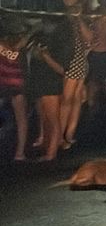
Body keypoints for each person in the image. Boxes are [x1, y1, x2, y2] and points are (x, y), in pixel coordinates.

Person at [57, 0, 92, 150]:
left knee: (72, 99)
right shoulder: (60, 16)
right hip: (68, 61)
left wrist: (78, 18)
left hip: (78, 61)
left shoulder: (83, 17)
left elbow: (89, 38)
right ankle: (62, 135)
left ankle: (66, 135)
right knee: (68, 99)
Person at [25, 19, 66, 161]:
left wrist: (46, 56)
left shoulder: (60, 43)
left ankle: (51, 153)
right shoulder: (37, 38)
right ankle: (47, 148)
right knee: (46, 119)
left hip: (51, 84)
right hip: (40, 83)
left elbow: (62, 69)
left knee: (53, 120)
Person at [0, 20, 27, 162]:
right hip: (14, 83)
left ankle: (20, 152)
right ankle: (20, 153)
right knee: (21, 118)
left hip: (8, 83)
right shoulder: (15, 47)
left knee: (20, 118)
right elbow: (12, 57)